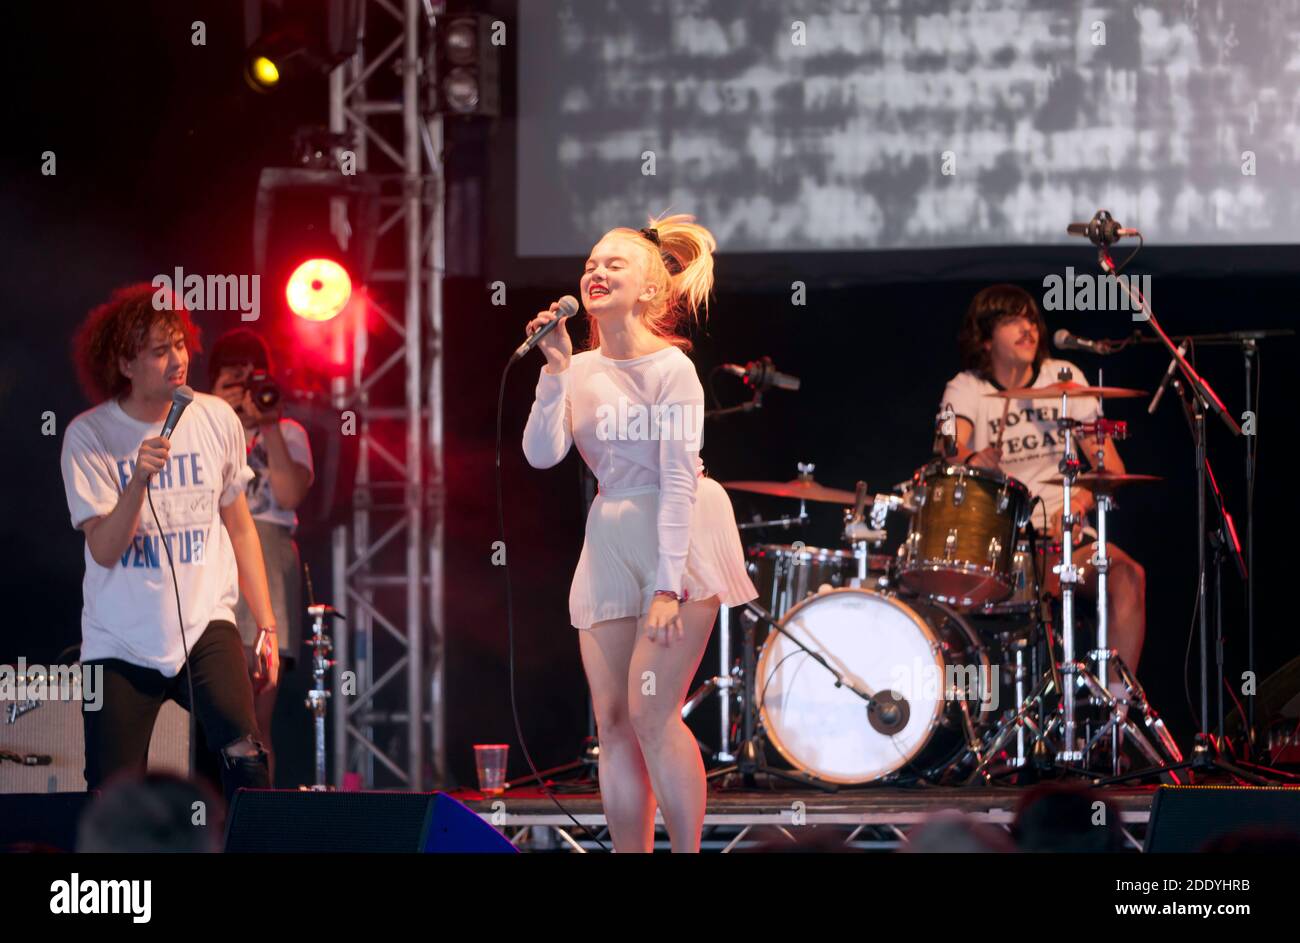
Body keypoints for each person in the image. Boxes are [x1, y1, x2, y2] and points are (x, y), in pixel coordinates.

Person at [521, 213, 757, 852]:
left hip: (676, 533)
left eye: (614, 264)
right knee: (615, 722)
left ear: (650, 289)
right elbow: (541, 454)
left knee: (653, 713)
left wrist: (666, 585)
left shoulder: (672, 370)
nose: (596, 272)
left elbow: (679, 480)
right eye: (591, 262)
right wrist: (553, 371)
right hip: (612, 531)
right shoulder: (579, 366)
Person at [61, 283, 277, 801]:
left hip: (205, 623)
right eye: (159, 351)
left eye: (179, 344)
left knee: (246, 752)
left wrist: (265, 622)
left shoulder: (215, 418)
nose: (177, 359)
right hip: (121, 638)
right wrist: (136, 481)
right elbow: (105, 550)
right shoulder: (88, 437)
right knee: (111, 789)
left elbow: (240, 525)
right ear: (125, 363)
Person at [938, 284, 1146, 695]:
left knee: (1128, 575)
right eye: (1012, 320)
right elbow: (947, 450)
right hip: (1002, 548)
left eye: (1031, 318)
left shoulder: (1066, 379)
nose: (1028, 328)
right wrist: (972, 459)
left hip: (1068, 545)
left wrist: (1081, 502)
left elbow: (1112, 468)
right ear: (985, 337)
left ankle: (1117, 705)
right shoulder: (965, 388)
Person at [209, 328, 314, 783]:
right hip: (211, 562)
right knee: (208, 718)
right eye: (233, 380)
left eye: (253, 380)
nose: (246, 389)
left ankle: (258, 819)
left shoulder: (288, 431)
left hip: (267, 565)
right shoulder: (202, 427)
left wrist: (266, 421)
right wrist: (216, 410)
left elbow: (290, 495)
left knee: (256, 719)